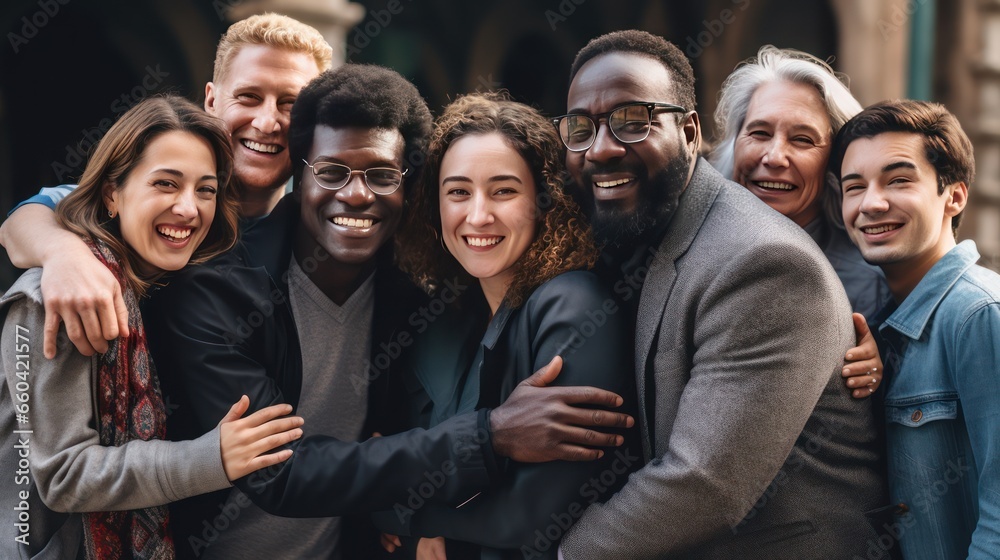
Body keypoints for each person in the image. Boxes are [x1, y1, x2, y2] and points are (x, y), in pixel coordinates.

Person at [142, 65, 632, 559]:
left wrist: (411, 510)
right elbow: (279, 472)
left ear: (408, 186)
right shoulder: (215, 291)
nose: (356, 194)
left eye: (381, 175)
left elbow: (415, 456)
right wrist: (489, 437)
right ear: (299, 174)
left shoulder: (417, 295)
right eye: (332, 172)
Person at [551, 30, 889, 559]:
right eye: (581, 128)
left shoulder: (766, 264)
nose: (603, 147)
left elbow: (703, 484)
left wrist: (565, 555)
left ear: (689, 132)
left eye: (633, 120)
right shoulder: (646, 224)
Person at [0, 95, 304, 559]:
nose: (189, 208)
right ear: (111, 193)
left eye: (205, 189)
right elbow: (64, 475)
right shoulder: (57, 297)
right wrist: (211, 458)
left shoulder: (160, 283)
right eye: (166, 184)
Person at [374, 93, 637, 559]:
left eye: (503, 191)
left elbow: (531, 513)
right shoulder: (452, 314)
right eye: (458, 192)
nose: (478, 216)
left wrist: (407, 513)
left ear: (544, 200)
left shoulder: (576, 306)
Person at [0, 12, 333, 358]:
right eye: (248, 96)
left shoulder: (324, 232)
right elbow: (21, 223)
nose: (267, 122)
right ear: (212, 100)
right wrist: (64, 255)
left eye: (290, 104)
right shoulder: (145, 202)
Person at [831, 99, 1000, 559]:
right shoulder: (880, 323)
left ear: (955, 196)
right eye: (853, 187)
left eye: (899, 180)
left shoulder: (980, 314)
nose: (871, 203)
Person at [709, 45, 892, 398]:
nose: (775, 157)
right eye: (759, 133)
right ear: (734, 145)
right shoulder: (684, 245)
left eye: (802, 140)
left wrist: (886, 372)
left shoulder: (868, 286)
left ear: (836, 165)